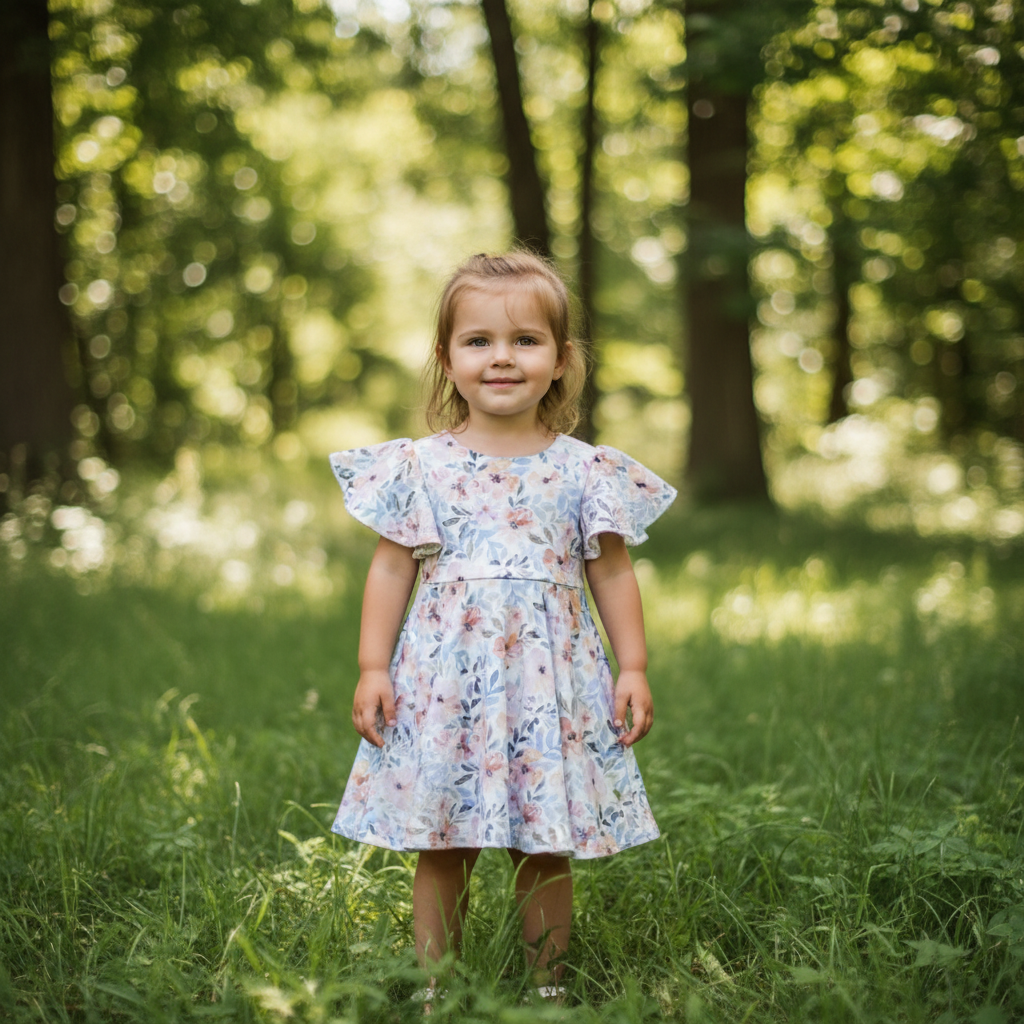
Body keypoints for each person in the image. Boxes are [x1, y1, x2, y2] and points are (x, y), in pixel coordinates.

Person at [328, 251, 676, 1008]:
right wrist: (372, 666)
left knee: (542, 841)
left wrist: (634, 665)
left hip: (549, 683)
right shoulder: (419, 466)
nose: (502, 358)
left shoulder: (586, 471)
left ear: (561, 361)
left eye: (525, 340)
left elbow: (610, 571)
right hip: (445, 682)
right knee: (442, 839)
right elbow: (391, 570)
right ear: (447, 360)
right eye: (479, 340)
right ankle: (435, 987)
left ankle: (547, 987)